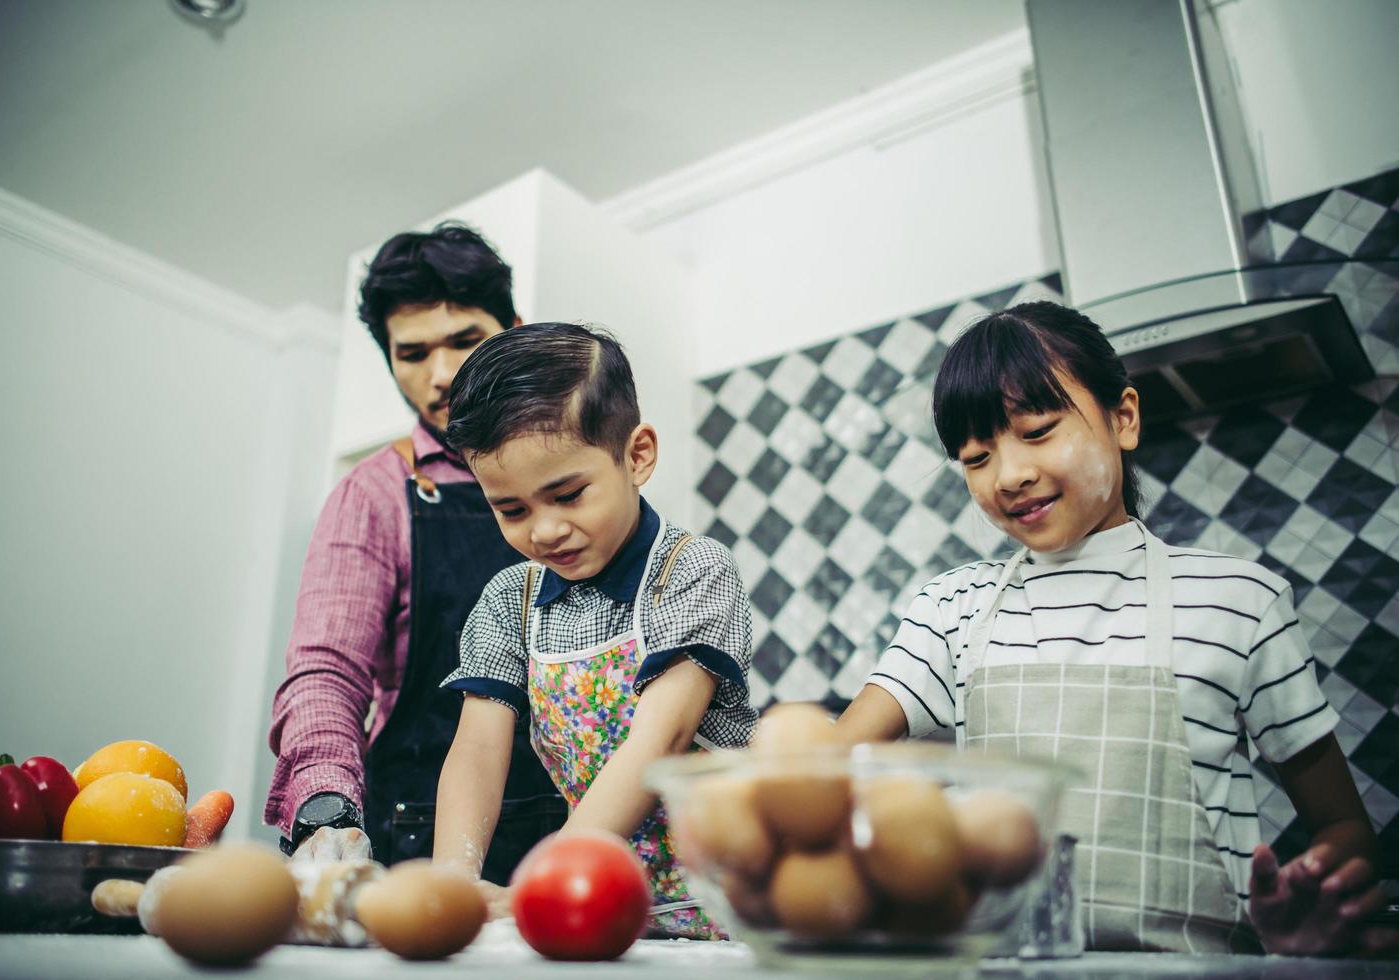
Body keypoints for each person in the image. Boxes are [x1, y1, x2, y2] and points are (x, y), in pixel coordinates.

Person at [834, 301, 1392, 956]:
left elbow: (1343, 827)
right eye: (977, 457)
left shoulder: (1238, 600)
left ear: (1122, 418)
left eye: (1037, 431)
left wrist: (1311, 897)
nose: (1009, 474)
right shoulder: (950, 607)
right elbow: (816, 772)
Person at [431, 323, 756, 938]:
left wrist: (546, 878)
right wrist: (454, 880)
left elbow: (662, 738)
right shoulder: (509, 600)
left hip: (732, 903)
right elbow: (476, 747)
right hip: (608, 909)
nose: (544, 531)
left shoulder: (693, 570)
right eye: (513, 509)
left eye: (569, 495)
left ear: (637, 456)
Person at [265, 223, 565, 873]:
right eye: (413, 352)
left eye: (466, 341)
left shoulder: (573, 471)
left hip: (577, 834)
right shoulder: (373, 493)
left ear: (512, 328)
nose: (444, 375)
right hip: (420, 843)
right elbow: (324, 672)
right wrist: (325, 809)